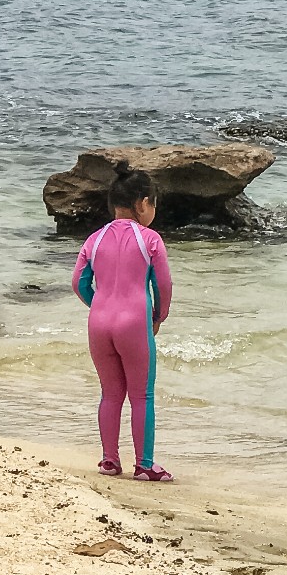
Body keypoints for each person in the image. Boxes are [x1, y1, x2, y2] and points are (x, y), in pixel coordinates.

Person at [73, 167, 174, 482]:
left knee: (110, 393)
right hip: (134, 323)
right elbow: (164, 284)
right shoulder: (150, 239)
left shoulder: (94, 238)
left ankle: (109, 460)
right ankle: (144, 464)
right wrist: (159, 315)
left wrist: (99, 304)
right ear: (143, 204)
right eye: (153, 204)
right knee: (141, 395)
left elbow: (78, 282)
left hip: (99, 323)